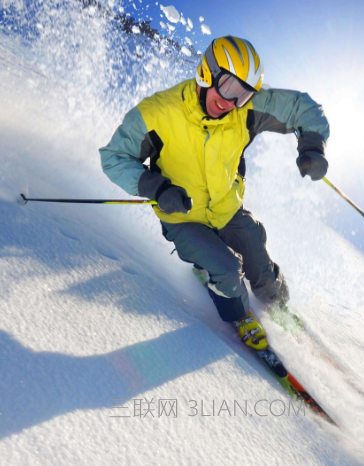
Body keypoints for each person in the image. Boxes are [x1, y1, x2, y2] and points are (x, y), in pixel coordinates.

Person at [99, 35, 329, 350]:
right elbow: (114, 158)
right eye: (228, 87)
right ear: (207, 71)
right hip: (182, 215)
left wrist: (313, 146)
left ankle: (277, 303)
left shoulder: (244, 110)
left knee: (257, 254)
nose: (230, 102)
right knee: (227, 270)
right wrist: (157, 187)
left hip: (226, 208)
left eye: (244, 94)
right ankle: (239, 315)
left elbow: (302, 106)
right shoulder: (158, 113)